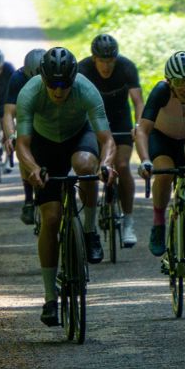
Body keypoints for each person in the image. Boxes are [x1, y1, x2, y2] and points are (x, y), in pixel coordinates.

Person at [14, 47, 117, 325]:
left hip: (77, 136)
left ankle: (90, 229)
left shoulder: (86, 90)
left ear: (74, 79)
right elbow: (21, 144)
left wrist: (106, 165)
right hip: (43, 143)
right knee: (51, 218)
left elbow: (106, 140)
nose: (59, 92)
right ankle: (50, 296)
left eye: (65, 85)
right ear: (43, 79)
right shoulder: (29, 93)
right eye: (53, 85)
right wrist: (34, 169)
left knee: (86, 167)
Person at [75, 34, 145, 248]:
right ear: (93, 58)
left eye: (110, 61)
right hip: (94, 122)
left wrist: (138, 125)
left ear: (116, 59)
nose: (106, 66)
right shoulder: (82, 69)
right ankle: (90, 223)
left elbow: (138, 101)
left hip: (120, 119)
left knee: (123, 165)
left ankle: (128, 222)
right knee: (91, 170)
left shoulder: (126, 67)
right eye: (102, 61)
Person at [135, 51, 185, 256]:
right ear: (169, 81)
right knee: (163, 172)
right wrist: (145, 160)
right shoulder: (161, 91)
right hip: (162, 138)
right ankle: (158, 222)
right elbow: (143, 129)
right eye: (179, 81)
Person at [5, 47, 47, 224]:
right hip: (27, 118)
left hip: (47, 117)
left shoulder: (56, 75)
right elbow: (8, 113)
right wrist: (11, 136)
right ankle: (29, 199)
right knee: (22, 146)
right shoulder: (17, 78)